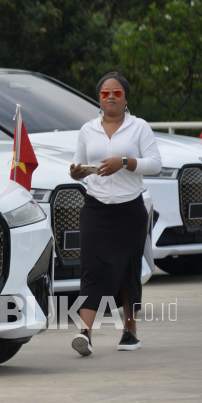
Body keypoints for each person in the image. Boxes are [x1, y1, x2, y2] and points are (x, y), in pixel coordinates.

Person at [68, 71, 161, 356]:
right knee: (92, 268)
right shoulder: (88, 130)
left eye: (116, 93)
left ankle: (130, 331)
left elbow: (155, 164)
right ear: (99, 98)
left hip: (130, 208)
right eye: (105, 93)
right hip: (95, 208)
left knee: (127, 270)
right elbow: (78, 164)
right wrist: (76, 172)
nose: (110, 97)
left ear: (126, 98)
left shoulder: (139, 128)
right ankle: (85, 333)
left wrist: (125, 162)